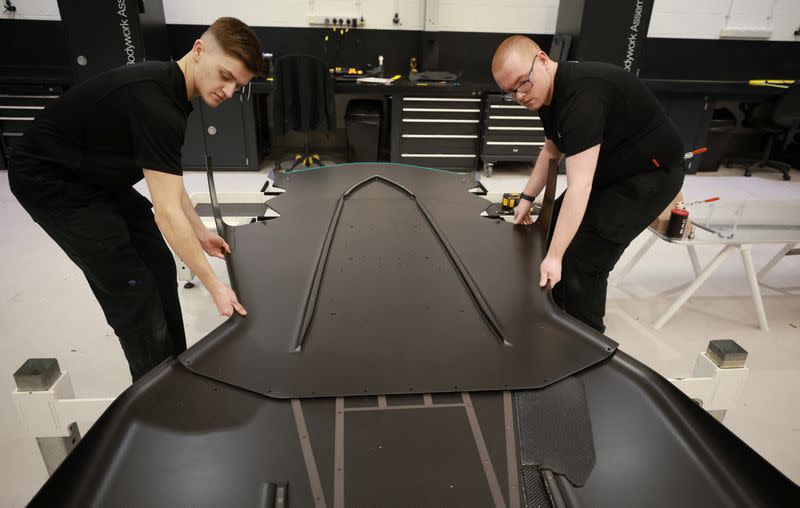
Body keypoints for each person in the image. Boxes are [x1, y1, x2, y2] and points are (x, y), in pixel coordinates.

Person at [8, 17, 262, 381]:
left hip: (92, 175)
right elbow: (166, 213)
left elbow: (168, 181)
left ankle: (175, 370)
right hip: (51, 181)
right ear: (199, 49)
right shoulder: (156, 101)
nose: (228, 90)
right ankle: (153, 396)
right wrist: (215, 287)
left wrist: (200, 232)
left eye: (238, 84)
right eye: (225, 75)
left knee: (158, 261)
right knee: (133, 289)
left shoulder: (174, 94)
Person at [491, 35, 685, 333]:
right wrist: (527, 199)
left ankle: (588, 341)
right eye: (510, 91)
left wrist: (556, 258)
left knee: (584, 258)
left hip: (651, 175)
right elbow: (550, 151)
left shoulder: (583, 99)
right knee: (553, 227)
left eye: (522, 83)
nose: (519, 96)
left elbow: (579, 186)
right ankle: (556, 312)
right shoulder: (543, 93)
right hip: (611, 166)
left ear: (542, 60)